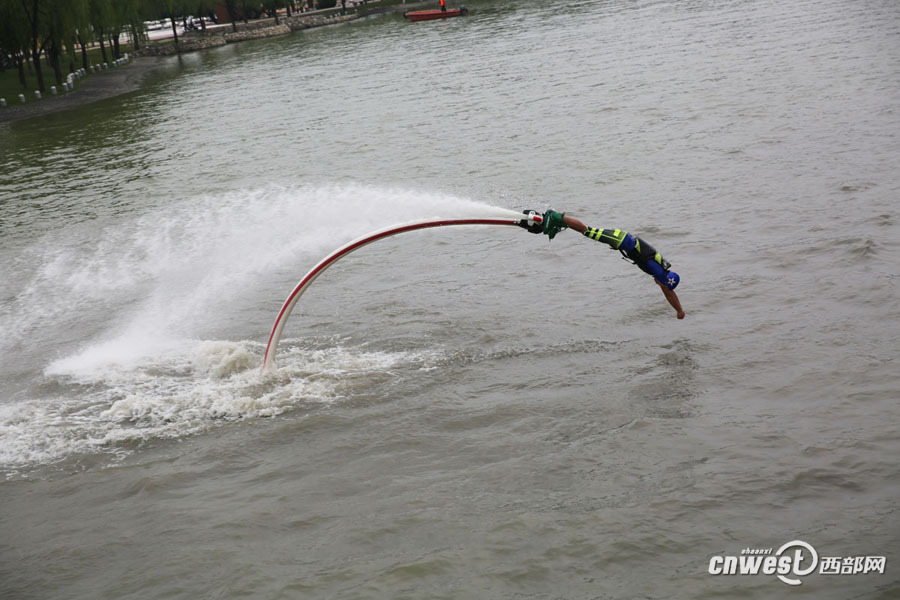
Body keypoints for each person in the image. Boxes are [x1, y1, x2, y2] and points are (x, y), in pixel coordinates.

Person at [519, 209, 686, 319]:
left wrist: (679, 310)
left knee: (588, 231)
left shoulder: (662, 272)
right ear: (664, 279)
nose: (659, 284)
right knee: (587, 231)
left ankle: (558, 223)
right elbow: (667, 291)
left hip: (622, 240)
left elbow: (667, 291)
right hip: (621, 240)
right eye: (662, 282)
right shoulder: (657, 271)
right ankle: (557, 217)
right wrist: (678, 310)